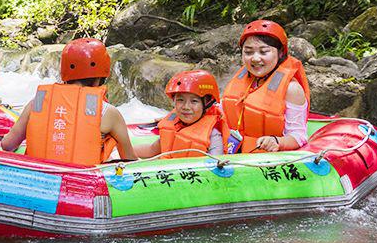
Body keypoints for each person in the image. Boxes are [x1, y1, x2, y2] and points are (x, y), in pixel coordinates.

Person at [0, 38, 135, 165]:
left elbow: (7, 145)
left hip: (37, 182)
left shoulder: (37, 102)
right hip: (82, 184)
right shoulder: (108, 112)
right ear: (100, 78)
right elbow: (130, 160)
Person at [221, 19, 311, 153]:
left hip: (266, 160)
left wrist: (277, 141)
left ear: (280, 53)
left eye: (264, 52)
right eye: (248, 52)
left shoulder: (292, 89)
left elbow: (299, 137)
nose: (255, 58)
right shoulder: (243, 78)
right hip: (231, 155)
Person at [133, 70, 224, 159]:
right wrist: (121, 151)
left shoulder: (213, 136)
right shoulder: (174, 125)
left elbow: (215, 165)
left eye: (194, 101)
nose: (186, 107)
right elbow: (152, 150)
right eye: (180, 100)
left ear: (207, 104)